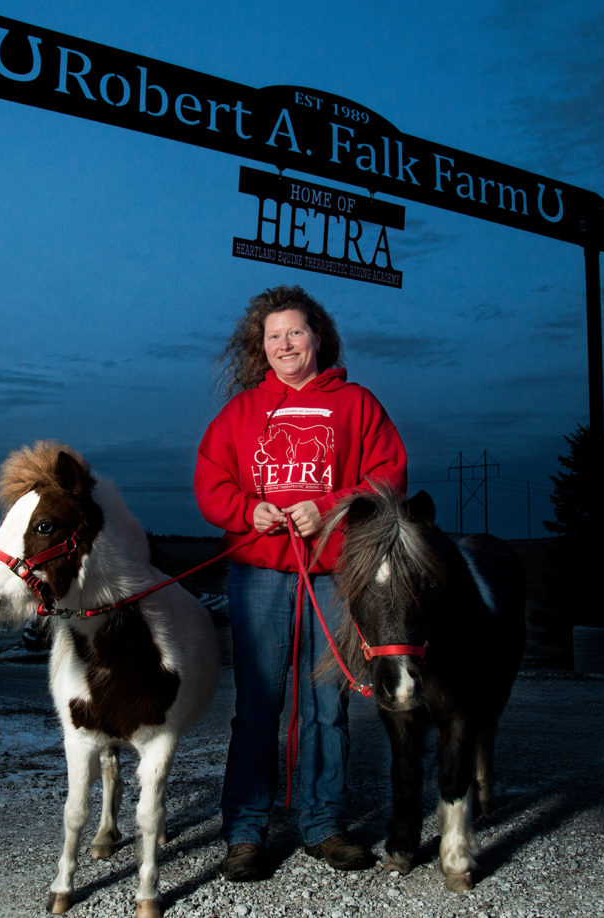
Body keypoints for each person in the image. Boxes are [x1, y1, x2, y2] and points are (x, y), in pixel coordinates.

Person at [194, 285, 407, 881]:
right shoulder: (241, 413)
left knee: (326, 705)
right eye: (273, 336)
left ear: (318, 337)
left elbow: (388, 476)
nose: (285, 343)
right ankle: (244, 830)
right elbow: (211, 481)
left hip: (333, 575)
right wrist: (246, 510)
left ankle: (324, 824)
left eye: (295, 332)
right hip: (259, 572)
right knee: (258, 704)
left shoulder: (357, 405)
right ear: (261, 349)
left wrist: (332, 505)